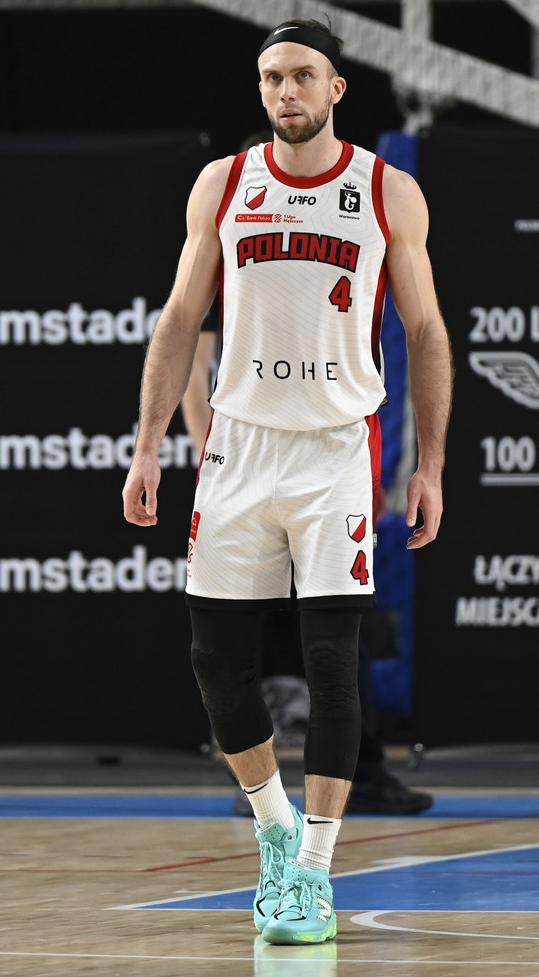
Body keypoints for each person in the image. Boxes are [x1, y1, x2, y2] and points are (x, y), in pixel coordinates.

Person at [122, 19, 452, 944]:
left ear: (336, 87)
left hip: (336, 449)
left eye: (302, 76)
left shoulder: (386, 191)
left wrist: (429, 464)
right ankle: (273, 829)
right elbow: (178, 319)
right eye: (271, 78)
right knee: (215, 660)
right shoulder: (223, 183)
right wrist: (147, 446)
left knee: (331, 662)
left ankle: (313, 869)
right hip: (238, 444)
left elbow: (426, 332)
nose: (285, 92)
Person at [183, 294, 432, 818]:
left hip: (329, 460)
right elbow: (192, 359)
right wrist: (219, 457)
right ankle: (258, 789)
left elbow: (418, 335)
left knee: (339, 638)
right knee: (234, 642)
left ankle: (362, 773)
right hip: (247, 462)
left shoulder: (348, 259)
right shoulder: (233, 256)